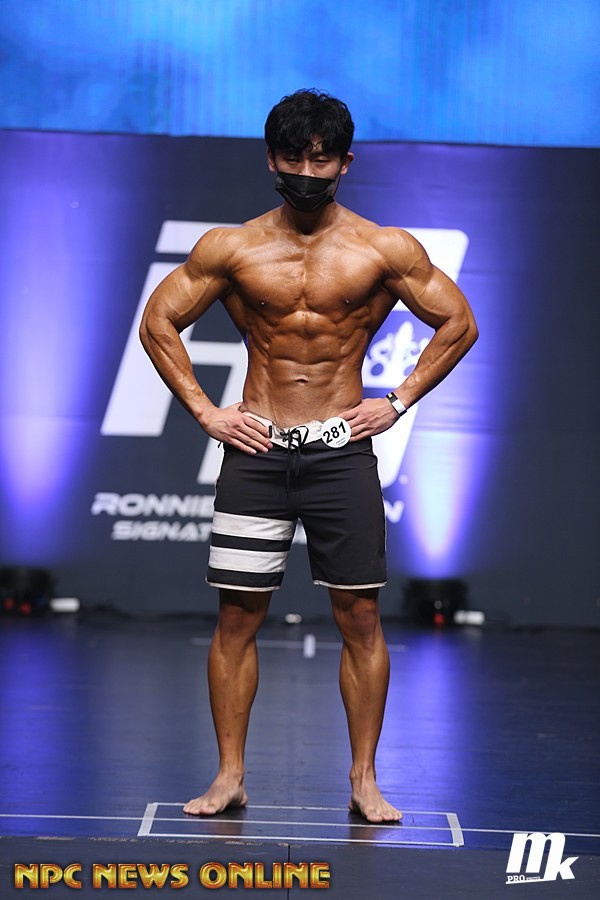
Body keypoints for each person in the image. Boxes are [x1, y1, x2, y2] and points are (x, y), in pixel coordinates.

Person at [139, 89, 478, 824]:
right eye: (293, 157)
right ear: (271, 159)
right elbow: (158, 319)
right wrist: (205, 410)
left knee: (360, 617)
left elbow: (458, 321)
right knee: (237, 618)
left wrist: (398, 400)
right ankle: (230, 775)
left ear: (345, 163)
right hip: (257, 448)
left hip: (340, 453)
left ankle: (364, 779)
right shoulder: (231, 248)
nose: (306, 171)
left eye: (321, 159)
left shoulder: (383, 249)